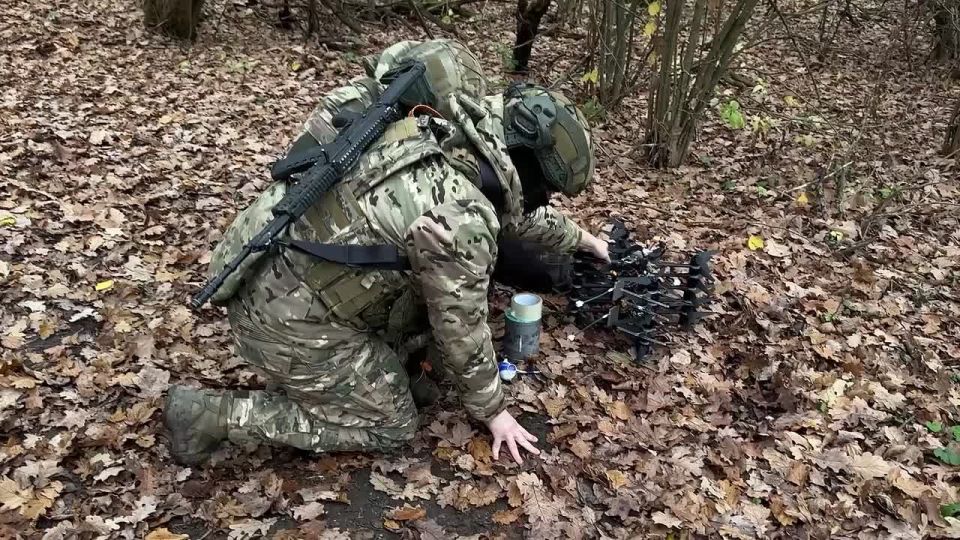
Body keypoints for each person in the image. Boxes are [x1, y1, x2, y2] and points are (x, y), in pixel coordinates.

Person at [164, 39, 608, 467]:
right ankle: (212, 414)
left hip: (258, 256)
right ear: (528, 164)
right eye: (547, 189)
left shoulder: (453, 127)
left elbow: (516, 211)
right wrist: (494, 411)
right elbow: (462, 326)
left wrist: (583, 240)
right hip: (284, 315)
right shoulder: (462, 216)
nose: (545, 199)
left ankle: (382, 370)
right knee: (390, 427)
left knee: (414, 319)